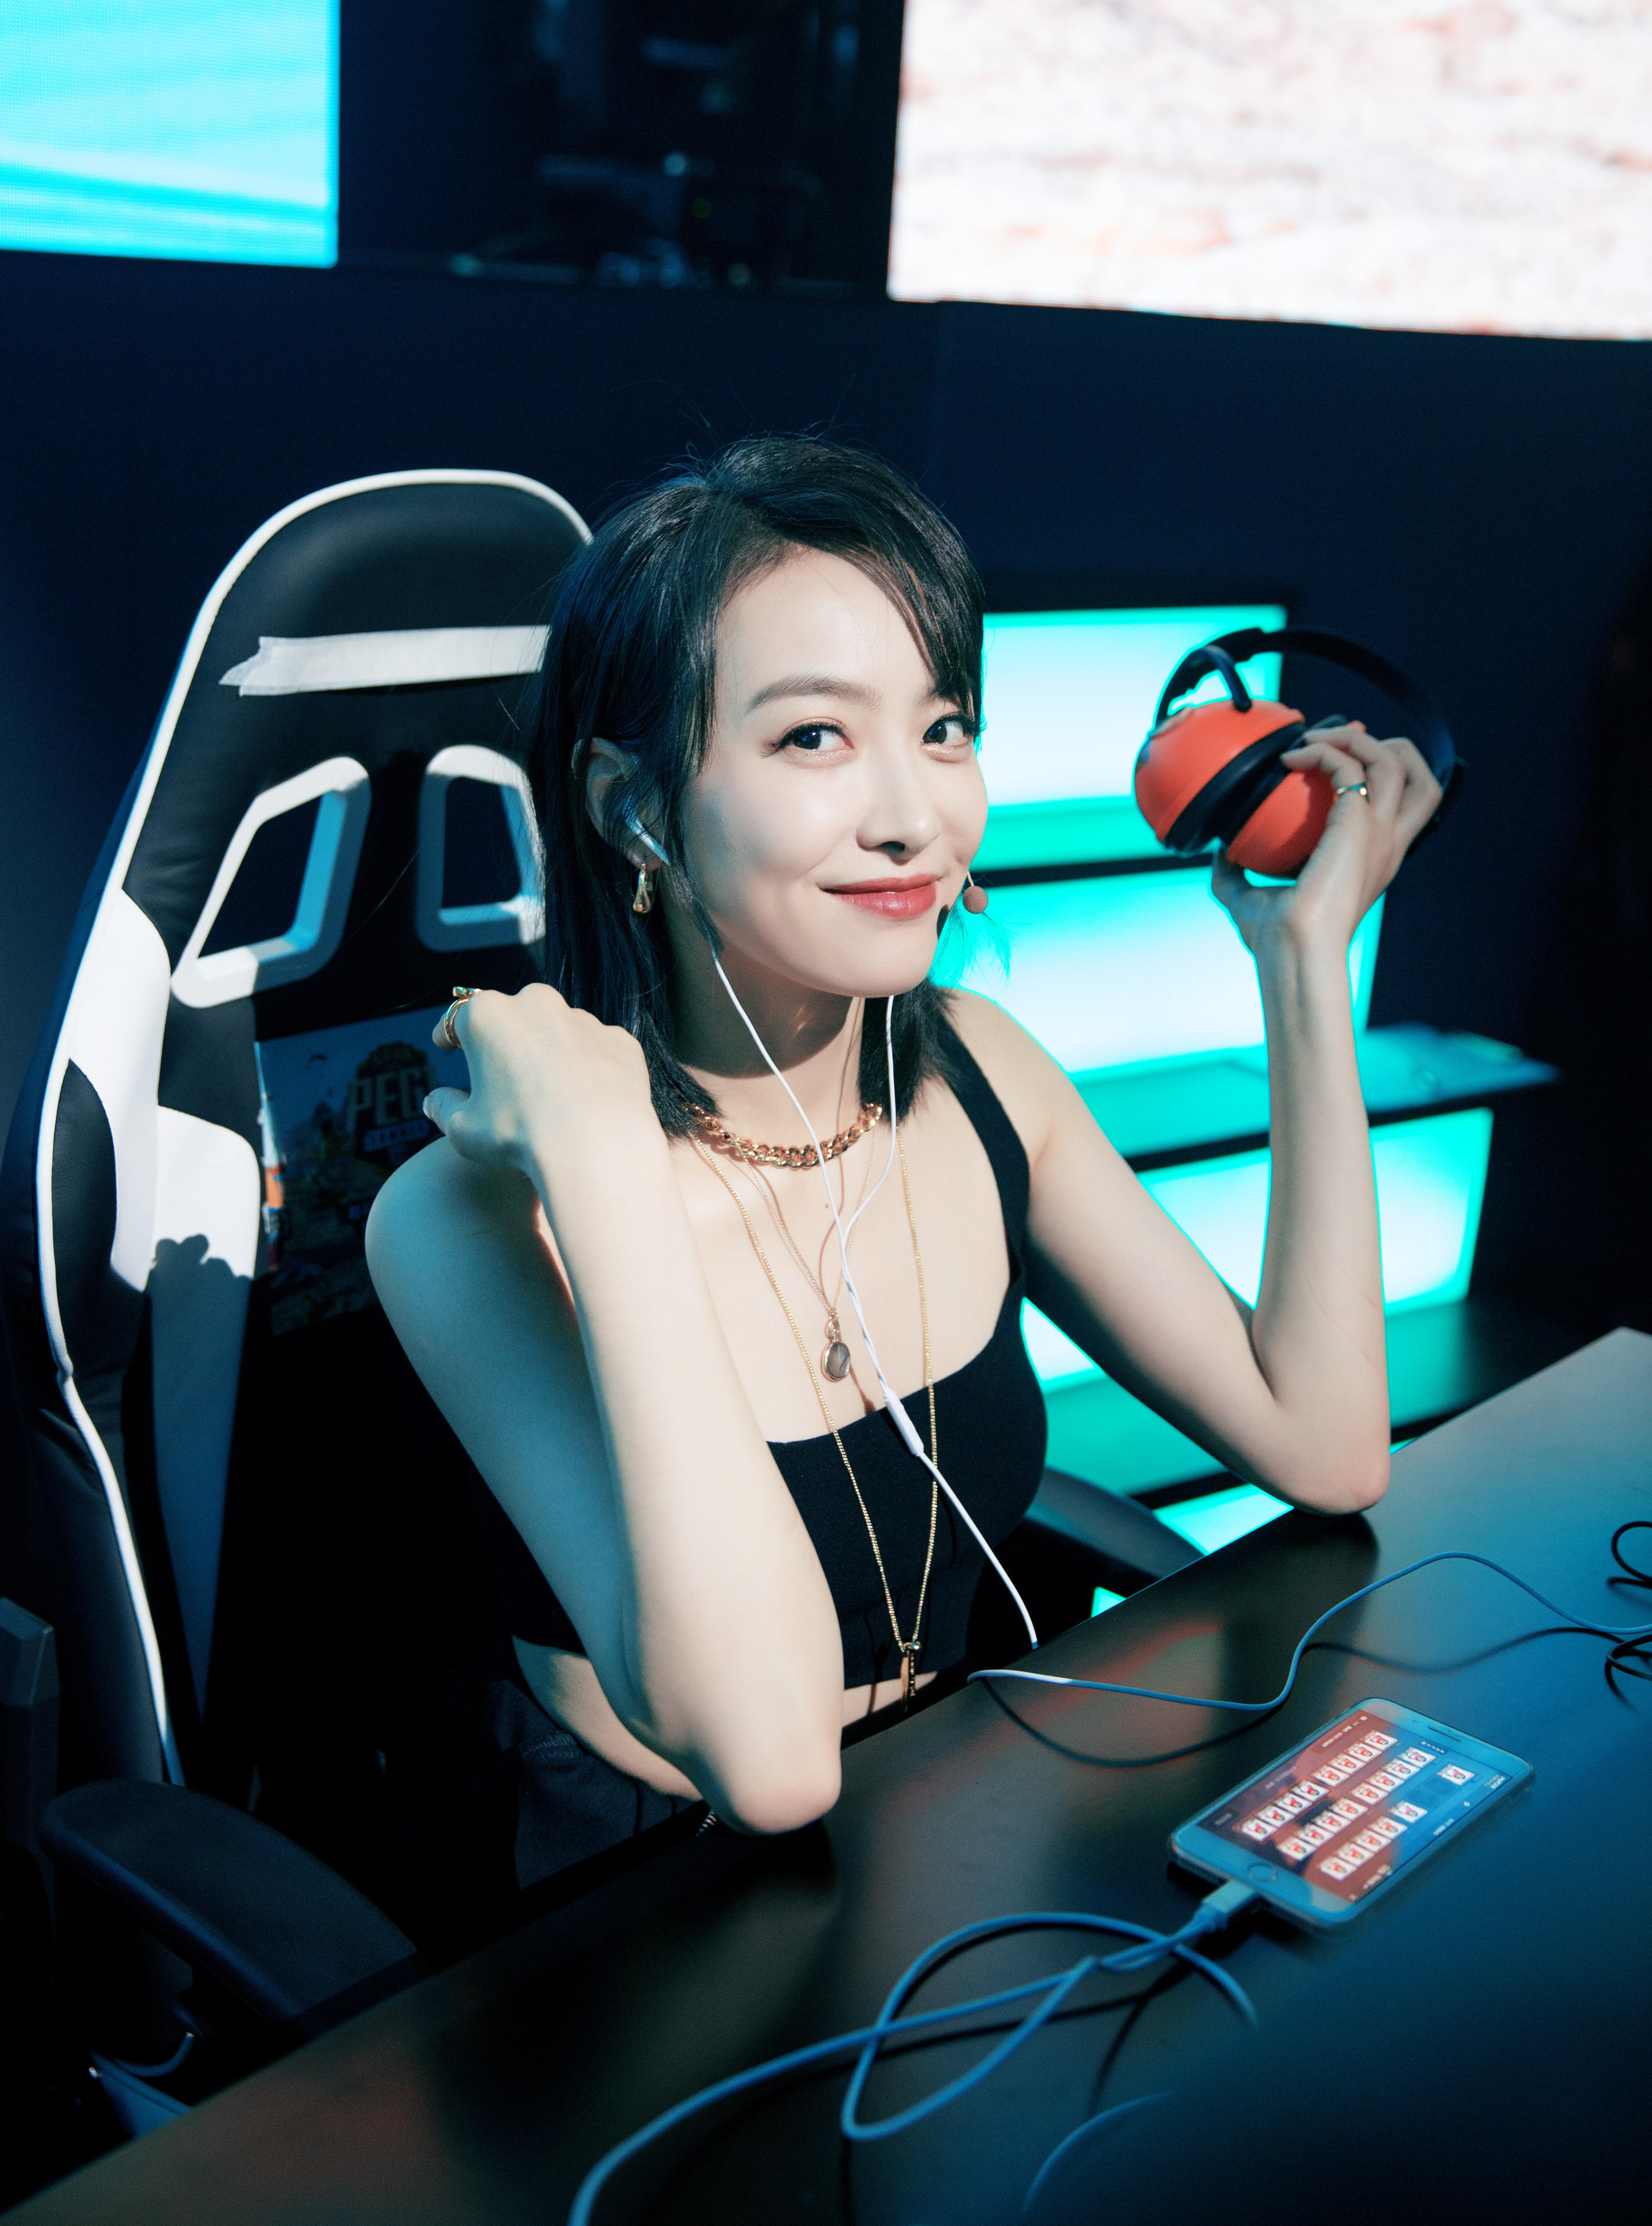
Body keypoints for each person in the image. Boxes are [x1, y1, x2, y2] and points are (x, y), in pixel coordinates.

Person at [366, 435, 1442, 1890]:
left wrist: (1306, 961)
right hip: (636, 1918)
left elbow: (1325, 1444)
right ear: (634, 808)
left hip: (954, 1829)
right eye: (815, 737)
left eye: (943, 728)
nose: (913, 816)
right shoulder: (471, 1216)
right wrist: (611, 1173)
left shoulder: (985, 1070)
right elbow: (771, 1768)